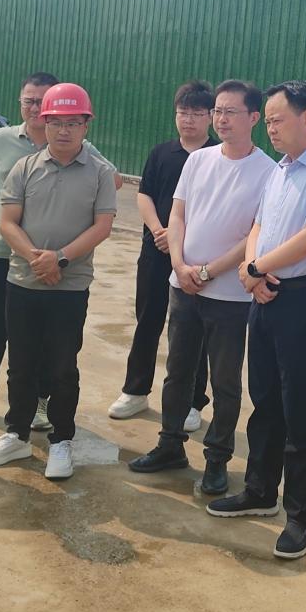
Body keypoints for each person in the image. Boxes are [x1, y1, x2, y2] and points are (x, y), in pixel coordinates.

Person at [206, 80, 306, 561]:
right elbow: (259, 225)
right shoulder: (281, 170)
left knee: (302, 408)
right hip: (266, 294)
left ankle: (302, 516)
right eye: (268, 121)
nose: (270, 128)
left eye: (277, 120)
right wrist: (253, 270)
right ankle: (259, 490)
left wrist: (257, 268)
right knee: (266, 399)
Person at [128, 80, 277, 496]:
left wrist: (209, 272)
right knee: (177, 371)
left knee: (225, 381)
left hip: (228, 295)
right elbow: (177, 215)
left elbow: (254, 235)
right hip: (183, 285)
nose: (221, 119)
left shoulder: (269, 172)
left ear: (253, 118)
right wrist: (179, 264)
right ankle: (170, 445)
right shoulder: (198, 161)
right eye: (217, 111)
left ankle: (216, 459)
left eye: (231, 112)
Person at [0, 72, 120, 432]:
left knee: (50, 344)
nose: (35, 108)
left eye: (41, 101)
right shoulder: (3, 140)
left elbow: (112, 181)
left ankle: (42, 403)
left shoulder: (82, 149)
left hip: (61, 265)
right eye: (29, 101)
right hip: (3, 253)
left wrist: (57, 256)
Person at [108, 81, 217, 426]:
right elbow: (145, 195)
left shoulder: (218, 157)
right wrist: (160, 231)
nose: (188, 119)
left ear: (211, 116)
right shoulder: (161, 153)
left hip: (196, 257)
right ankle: (135, 391)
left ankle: (193, 402)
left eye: (197, 113)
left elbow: (218, 209)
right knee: (148, 320)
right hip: (155, 252)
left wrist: (178, 238)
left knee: (194, 331)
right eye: (183, 112)